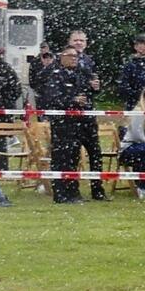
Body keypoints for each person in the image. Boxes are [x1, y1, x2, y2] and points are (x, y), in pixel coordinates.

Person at [41, 48, 95, 204]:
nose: (74, 58)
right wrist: (72, 100)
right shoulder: (55, 75)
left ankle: (73, 191)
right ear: (62, 57)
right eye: (70, 56)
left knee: (73, 157)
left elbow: (86, 95)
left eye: (76, 56)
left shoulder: (79, 75)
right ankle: (61, 193)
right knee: (61, 158)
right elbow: (52, 99)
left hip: (76, 123)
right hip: (61, 124)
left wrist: (91, 90)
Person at [66, 30, 107, 199]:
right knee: (73, 154)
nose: (79, 43)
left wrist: (95, 87)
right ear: (70, 42)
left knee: (95, 153)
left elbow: (92, 85)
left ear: (86, 43)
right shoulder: (65, 60)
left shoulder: (89, 60)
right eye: (75, 40)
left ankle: (97, 190)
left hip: (88, 112)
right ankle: (73, 190)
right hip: (72, 114)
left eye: (82, 40)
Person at [117, 34, 145, 108]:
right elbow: (123, 87)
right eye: (144, 44)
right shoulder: (129, 65)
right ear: (136, 47)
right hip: (135, 106)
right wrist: (142, 96)